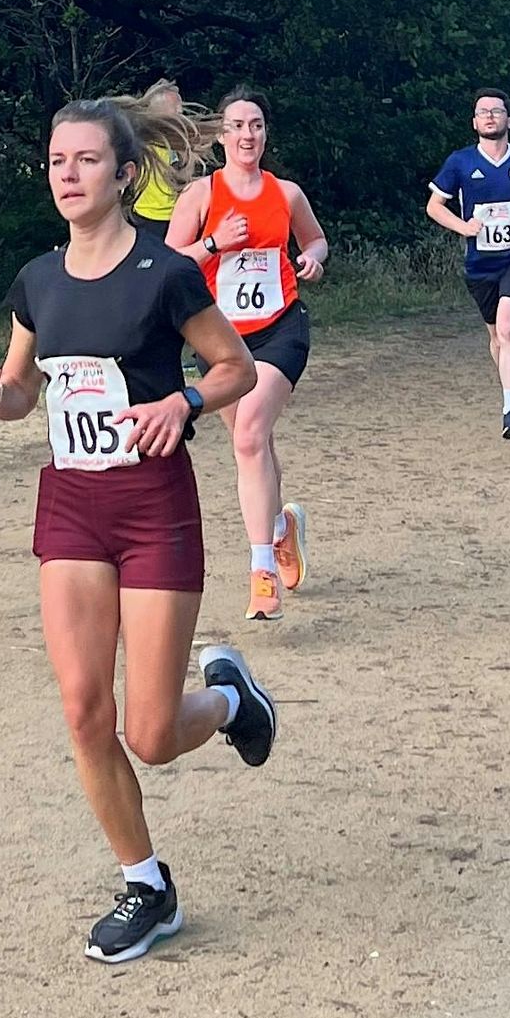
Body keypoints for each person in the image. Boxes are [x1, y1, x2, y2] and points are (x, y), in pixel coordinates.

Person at [0, 96, 276, 964]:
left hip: (154, 506)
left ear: (126, 176)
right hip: (73, 507)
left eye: (86, 161)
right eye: (57, 161)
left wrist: (184, 399)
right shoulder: (36, 281)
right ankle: (147, 884)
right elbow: (24, 392)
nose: (68, 175)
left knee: (151, 735)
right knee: (87, 710)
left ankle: (234, 699)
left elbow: (234, 366)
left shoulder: (166, 274)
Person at [167, 86, 328, 623]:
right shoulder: (201, 196)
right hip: (218, 338)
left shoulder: (286, 193)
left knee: (250, 434)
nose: (247, 135)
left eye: (256, 125)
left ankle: (261, 570)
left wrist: (311, 259)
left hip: (281, 328)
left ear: (265, 132)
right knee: (253, 444)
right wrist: (215, 244)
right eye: (236, 126)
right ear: (221, 135)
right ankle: (281, 530)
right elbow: (167, 270)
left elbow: (316, 240)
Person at [427, 89, 510, 439]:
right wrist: (462, 226)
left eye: (496, 111)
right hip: (480, 264)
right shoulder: (460, 162)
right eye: (483, 112)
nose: (490, 117)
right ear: (475, 122)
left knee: (509, 327)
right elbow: (434, 206)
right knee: (497, 337)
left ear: (509, 120)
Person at [129, 79, 184, 238]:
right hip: (146, 218)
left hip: (175, 217)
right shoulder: (140, 140)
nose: (181, 111)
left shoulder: (178, 139)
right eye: (176, 106)